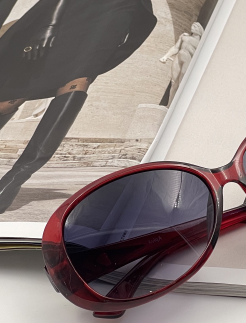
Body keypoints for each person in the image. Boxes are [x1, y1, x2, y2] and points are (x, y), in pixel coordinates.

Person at [0, 0, 157, 213]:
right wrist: (50, 24)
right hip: (74, 9)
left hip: (118, 12)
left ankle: (14, 180)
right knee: (12, 95)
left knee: (76, 83)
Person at [160, 21, 205, 107]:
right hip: (178, 58)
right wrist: (166, 56)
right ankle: (169, 105)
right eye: (193, 25)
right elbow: (176, 48)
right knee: (174, 82)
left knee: (182, 84)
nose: (193, 27)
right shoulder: (184, 37)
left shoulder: (200, 44)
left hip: (187, 60)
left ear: (200, 30)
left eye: (196, 26)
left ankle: (177, 106)